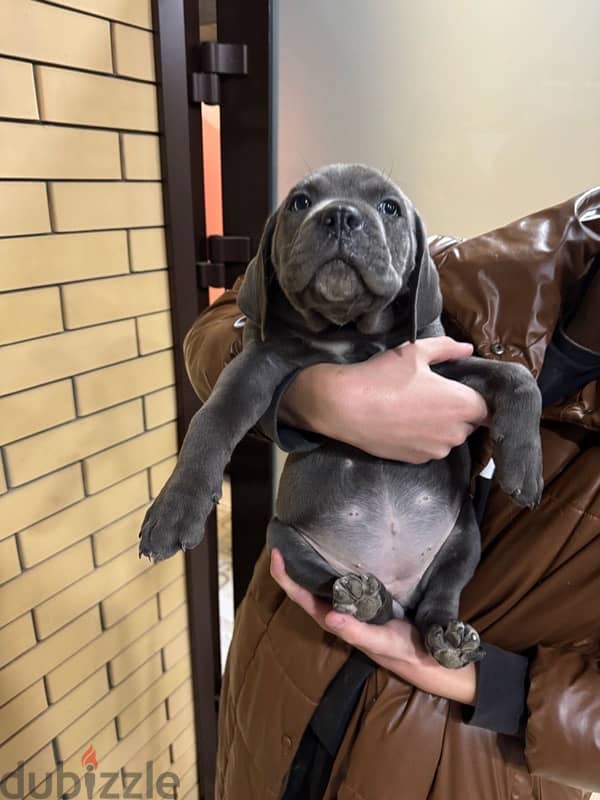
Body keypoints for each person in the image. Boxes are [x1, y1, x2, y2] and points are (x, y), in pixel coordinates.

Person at [183, 188, 600, 800]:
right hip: (284, 665)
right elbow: (223, 324)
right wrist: (312, 393)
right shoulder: (487, 268)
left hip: (467, 762)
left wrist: (494, 685)